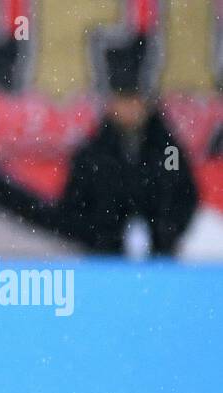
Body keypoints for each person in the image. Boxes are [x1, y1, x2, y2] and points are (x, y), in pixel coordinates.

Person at [55, 37, 197, 256]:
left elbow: (183, 196)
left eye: (135, 99)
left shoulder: (168, 150)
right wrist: (102, 237)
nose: (129, 108)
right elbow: (74, 208)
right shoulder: (92, 153)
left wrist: (164, 233)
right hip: (103, 261)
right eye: (122, 98)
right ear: (110, 102)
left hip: (161, 260)